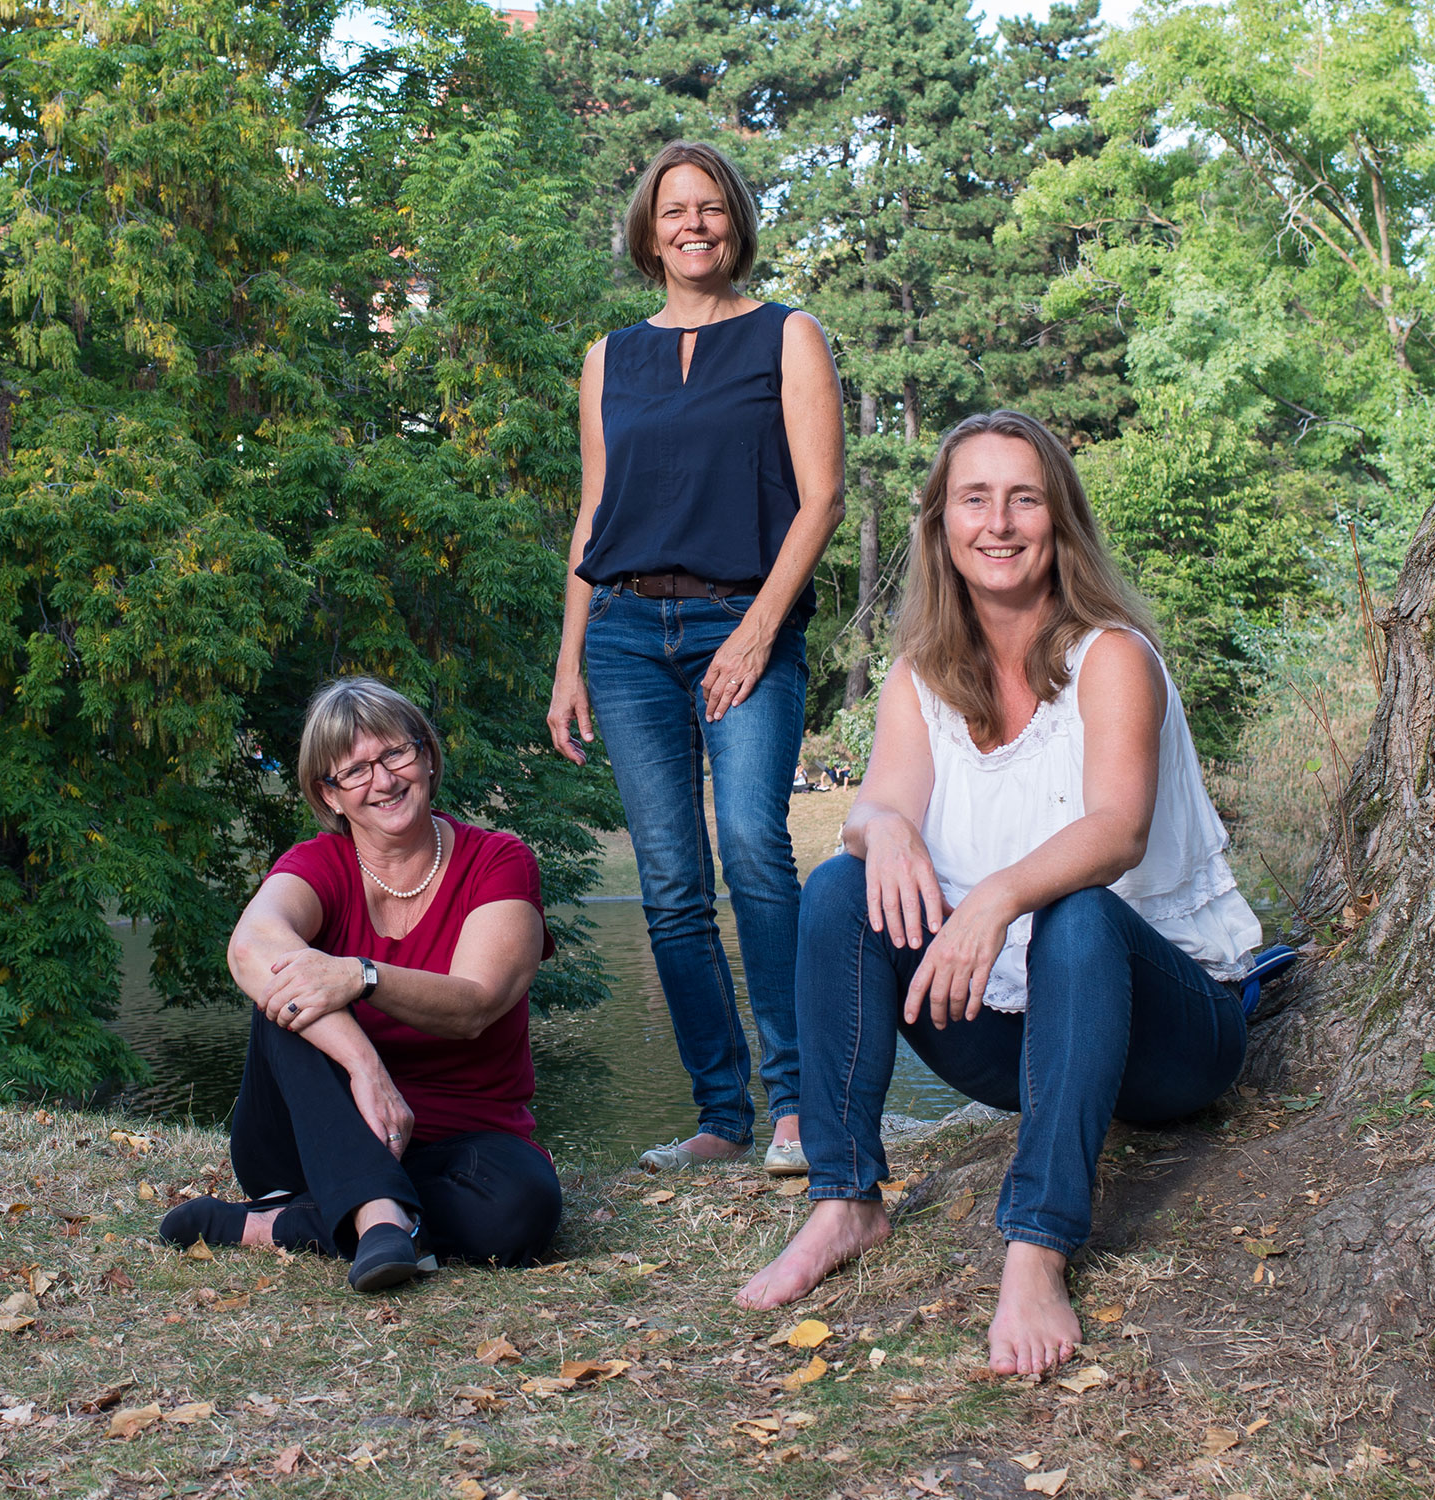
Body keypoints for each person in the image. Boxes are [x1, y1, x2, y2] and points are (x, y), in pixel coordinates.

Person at [736, 411, 1262, 1375]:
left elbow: (1117, 831)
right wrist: (881, 823)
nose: (1000, 522)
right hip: (1023, 1032)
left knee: (1079, 912)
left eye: (1025, 498)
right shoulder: (922, 677)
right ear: (941, 525)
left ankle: (1038, 1246)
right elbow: (881, 804)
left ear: (1060, 521)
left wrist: (993, 900)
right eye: (974, 499)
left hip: (1169, 1031)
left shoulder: (1113, 656)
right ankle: (846, 1198)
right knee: (840, 890)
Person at [546, 141, 846, 1176]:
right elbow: (595, 513)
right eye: (676, 210)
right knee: (672, 882)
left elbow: (822, 500)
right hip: (627, 635)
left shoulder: (788, 336)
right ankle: (721, 1118)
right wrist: (569, 660)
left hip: (741, 622)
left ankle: (802, 1107)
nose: (694, 224)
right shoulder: (607, 359)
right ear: (648, 229)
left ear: (736, 222)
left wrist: (762, 627)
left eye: (712, 208)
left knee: (756, 845)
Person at [160, 677, 562, 1292]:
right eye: (354, 770)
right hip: (312, 1138)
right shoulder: (318, 864)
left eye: (396, 754)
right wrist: (365, 1068)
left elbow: (475, 1004)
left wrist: (358, 975)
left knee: (519, 1212)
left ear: (427, 754)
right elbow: (249, 947)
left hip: (462, 1139)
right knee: (286, 986)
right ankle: (376, 1212)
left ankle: (278, 1226)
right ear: (330, 793)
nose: (383, 780)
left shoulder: (498, 861)